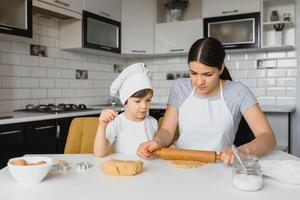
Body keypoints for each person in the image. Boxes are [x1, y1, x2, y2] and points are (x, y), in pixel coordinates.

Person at [137, 37, 276, 164]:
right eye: (193, 73)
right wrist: (157, 141)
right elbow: (167, 130)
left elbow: (267, 137)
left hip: (219, 165)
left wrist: (241, 151)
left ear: (221, 68)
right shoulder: (180, 87)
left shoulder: (238, 92)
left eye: (207, 74)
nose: (199, 81)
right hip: (181, 162)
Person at [94, 63, 158, 157]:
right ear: (125, 102)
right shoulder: (117, 123)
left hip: (150, 169)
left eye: (148, 100)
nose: (144, 106)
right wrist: (102, 126)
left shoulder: (153, 122)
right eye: (137, 101)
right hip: (124, 169)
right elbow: (99, 153)